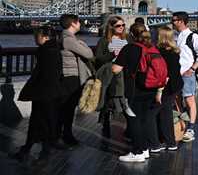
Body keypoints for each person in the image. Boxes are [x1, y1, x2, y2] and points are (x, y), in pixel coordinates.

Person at [112, 23, 163, 163]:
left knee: (133, 120)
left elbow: (115, 69)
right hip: (151, 89)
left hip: (134, 90)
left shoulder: (129, 48)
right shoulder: (152, 47)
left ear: (132, 35)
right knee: (144, 119)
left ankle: (137, 152)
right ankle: (145, 149)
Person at [12, 26, 63, 162]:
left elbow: (43, 73)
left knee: (39, 120)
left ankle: (32, 149)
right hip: (50, 92)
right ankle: (39, 149)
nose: (35, 38)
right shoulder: (54, 49)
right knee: (45, 121)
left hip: (43, 92)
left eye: (37, 36)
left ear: (45, 37)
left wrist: (33, 88)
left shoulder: (46, 51)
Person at [58, 14, 94, 146]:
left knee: (68, 108)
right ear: (73, 23)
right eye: (78, 21)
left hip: (69, 76)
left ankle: (64, 134)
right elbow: (89, 54)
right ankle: (66, 135)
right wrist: (82, 43)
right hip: (71, 77)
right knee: (68, 108)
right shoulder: (69, 39)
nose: (80, 23)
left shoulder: (68, 38)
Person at [171, 11, 198, 143]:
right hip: (177, 74)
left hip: (187, 75)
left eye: (174, 20)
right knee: (177, 100)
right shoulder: (176, 36)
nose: (172, 22)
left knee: (190, 101)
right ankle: (182, 125)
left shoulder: (193, 36)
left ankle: (191, 129)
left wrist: (192, 69)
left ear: (181, 21)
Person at [95, 15, 128, 137]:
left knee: (122, 99)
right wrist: (112, 54)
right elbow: (98, 58)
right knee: (109, 100)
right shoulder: (104, 41)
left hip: (124, 74)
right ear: (111, 27)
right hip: (110, 74)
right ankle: (106, 124)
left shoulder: (127, 38)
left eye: (123, 25)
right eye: (118, 25)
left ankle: (125, 127)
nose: (121, 27)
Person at [155, 25, 184, 151]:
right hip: (175, 85)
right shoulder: (174, 52)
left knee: (162, 114)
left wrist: (159, 91)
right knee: (166, 113)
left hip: (166, 86)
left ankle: (167, 141)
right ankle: (168, 141)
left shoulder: (160, 53)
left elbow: (163, 73)